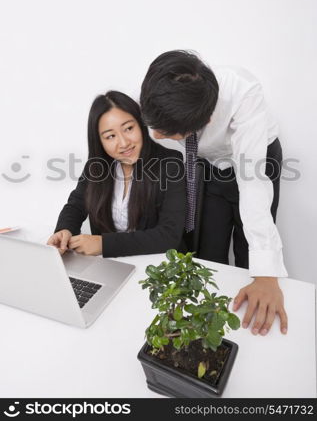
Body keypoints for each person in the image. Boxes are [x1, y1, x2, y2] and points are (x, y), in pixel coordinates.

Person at [140, 50, 288, 337]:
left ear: (205, 120)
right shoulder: (162, 90)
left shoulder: (244, 93)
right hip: (210, 164)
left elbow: (252, 181)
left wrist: (267, 275)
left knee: (249, 250)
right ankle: (212, 316)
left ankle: (251, 316)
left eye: (166, 132)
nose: (156, 136)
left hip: (256, 161)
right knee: (209, 246)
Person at [47, 91, 185, 257]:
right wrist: (64, 230)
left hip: (158, 267)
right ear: (100, 141)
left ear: (141, 124)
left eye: (128, 128)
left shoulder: (171, 164)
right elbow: (76, 204)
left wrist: (104, 244)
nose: (124, 143)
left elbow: (169, 236)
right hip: (113, 266)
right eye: (110, 136)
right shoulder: (96, 166)